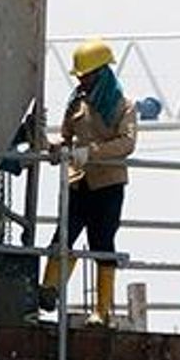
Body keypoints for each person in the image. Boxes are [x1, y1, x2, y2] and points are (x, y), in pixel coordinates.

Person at [38, 38, 137, 327]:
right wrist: (55, 147)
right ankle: (48, 290)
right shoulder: (76, 104)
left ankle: (102, 310)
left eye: (86, 75)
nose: (81, 80)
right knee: (63, 237)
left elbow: (127, 143)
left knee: (102, 242)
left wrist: (90, 153)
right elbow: (67, 137)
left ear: (101, 74)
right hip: (78, 181)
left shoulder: (123, 106)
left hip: (108, 184)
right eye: (80, 76)